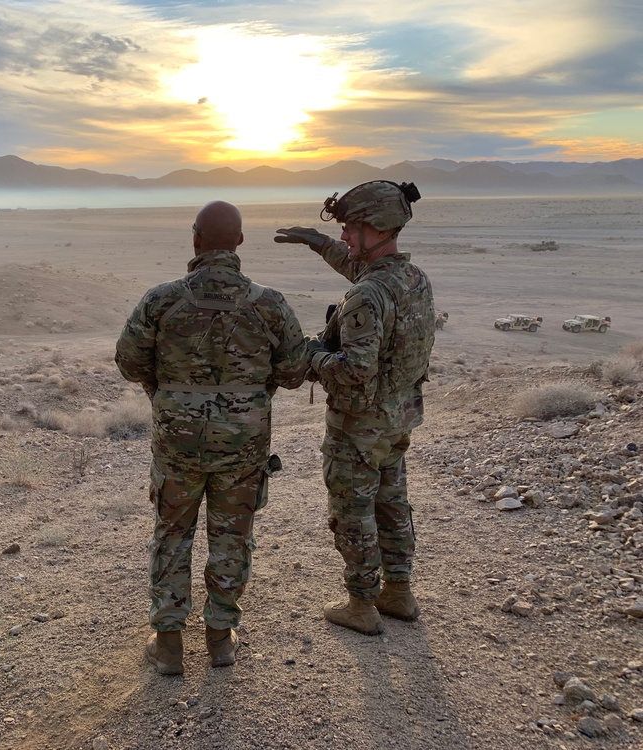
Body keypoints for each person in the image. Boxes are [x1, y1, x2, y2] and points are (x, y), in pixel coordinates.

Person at [116, 200, 309, 675]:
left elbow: (128, 360)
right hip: (243, 448)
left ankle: (168, 645)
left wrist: (162, 391)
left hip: (177, 446)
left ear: (196, 238)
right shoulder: (269, 304)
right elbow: (294, 371)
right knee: (232, 538)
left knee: (172, 535)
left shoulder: (162, 300)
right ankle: (220, 638)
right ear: (239, 241)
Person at [275, 181, 435, 636]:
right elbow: (365, 273)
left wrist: (308, 356)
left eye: (349, 229)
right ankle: (399, 593)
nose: (344, 237)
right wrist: (318, 242)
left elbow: (353, 370)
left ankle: (361, 604)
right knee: (391, 501)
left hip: (358, 425)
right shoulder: (413, 279)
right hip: (397, 419)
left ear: (377, 228)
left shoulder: (367, 295)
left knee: (353, 511)